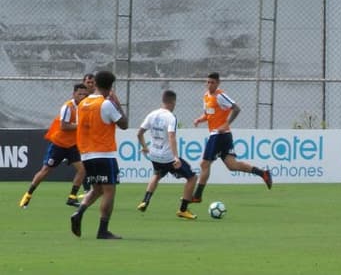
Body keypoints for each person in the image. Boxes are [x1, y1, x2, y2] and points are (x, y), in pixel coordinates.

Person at [191, 72, 272, 203]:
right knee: (232, 165)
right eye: (208, 82)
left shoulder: (220, 95)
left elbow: (236, 108)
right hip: (222, 136)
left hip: (219, 135)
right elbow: (208, 114)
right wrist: (199, 120)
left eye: (212, 82)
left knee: (204, 163)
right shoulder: (206, 96)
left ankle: (197, 196)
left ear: (218, 83)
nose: (209, 85)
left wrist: (226, 124)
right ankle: (263, 173)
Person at [70, 71, 128, 240]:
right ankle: (103, 230)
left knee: (97, 189)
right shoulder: (106, 104)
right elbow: (124, 124)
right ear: (111, 87)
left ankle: (79, 212)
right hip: (104, 153)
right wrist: (118, 104)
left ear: (95, 84)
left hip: (87, 154)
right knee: (109, 191)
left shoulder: (82, 103)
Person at [18, 83, 89, 208]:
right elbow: (64, 126)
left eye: (84, 94)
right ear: (74, 94)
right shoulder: (68, 107)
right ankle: (28, 194)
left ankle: (72, 198)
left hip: (72, 145)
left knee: (82, 170)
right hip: (59, 144)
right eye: (80, 94)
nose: (82, 96)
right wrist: (80, 126)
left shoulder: (85, 107)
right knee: (46, 171)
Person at [136, 90, 198, 219]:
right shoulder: (170, 117)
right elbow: (171, 136)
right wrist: (176, 157)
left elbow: (139, 133)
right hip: (168, 157)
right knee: (192, 178)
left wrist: (145, 147)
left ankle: (145, 201)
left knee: (157, 175)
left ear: (163, 100)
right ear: (173, 102)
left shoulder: (152, 114)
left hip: (154, 155)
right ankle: (183, 210)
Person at [79, 73, 96, 194]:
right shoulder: (80, 99)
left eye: (92, 82)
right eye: (88, 82)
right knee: (85, 164)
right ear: (84, 83)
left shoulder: (99, 98)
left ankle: (94, 188)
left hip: (96, 136)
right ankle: (86, 190)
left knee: (94, 163)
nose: (90, 85)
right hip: (83, 137)